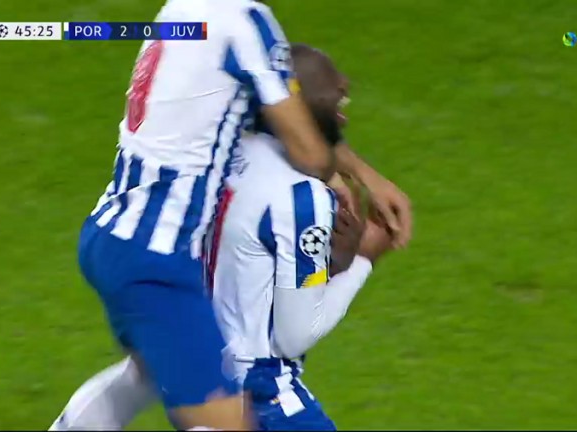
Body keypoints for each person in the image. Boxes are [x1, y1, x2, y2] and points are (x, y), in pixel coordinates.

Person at [49, 42, 395, 431]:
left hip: (193, 344)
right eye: (330, 84)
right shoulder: (303, 198)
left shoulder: (218, 149)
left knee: (141, 375)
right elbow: (295, 335)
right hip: (257, 387)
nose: (343, 83)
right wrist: (363, 259)